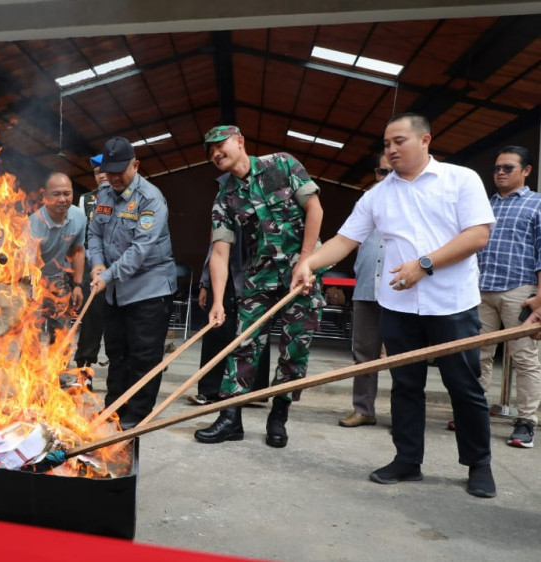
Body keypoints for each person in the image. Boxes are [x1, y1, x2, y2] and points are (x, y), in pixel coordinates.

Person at [292, 112, 497, 498]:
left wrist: (425, 264)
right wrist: (309, 264)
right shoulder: (378, 194)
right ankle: (407, 460)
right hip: (399, 306)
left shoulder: (460, 179)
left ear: (425, 141)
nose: (391, 150)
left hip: (451, 305)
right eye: (386, 144)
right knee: (405, 385)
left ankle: (478, 464)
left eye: (398, 141)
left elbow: (477, 236)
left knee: (464, 386)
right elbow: (344, 240)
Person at [195, 125, 325, 449]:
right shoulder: (225, 198)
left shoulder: (281, 165)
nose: (215, 154)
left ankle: (278, 416)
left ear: (240, 141)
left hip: (303, 272)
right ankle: (230, 418)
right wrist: (217, 300)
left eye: (219, 145)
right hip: (260, 277)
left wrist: (305, 260)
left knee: (296, 348)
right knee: (243, 343)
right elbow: (220, 252)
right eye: (209, 151)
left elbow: (315, 209)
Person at [87, 137, 176, 429]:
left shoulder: (151, 199)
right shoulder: (103, 194)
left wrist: (106, 275)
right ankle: (114, 406)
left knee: (143, 354)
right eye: (108, 171)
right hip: (115, 290)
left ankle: (137, 413)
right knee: (116, 351)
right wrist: (97, 264)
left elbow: (140, 251)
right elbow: (94, 235)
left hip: (149, 289)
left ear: (135, 165)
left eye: (119, 171)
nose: (112, 177)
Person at [476, 146, 541, 448]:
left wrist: (540, 296)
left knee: (525, 359)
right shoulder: (483, 205)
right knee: (477, 356)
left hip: (520, 290)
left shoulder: (537, 205)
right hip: (481, 289)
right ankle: (473, 413)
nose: (500, 172)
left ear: (526, 171)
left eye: (508, 168)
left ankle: (526, 422)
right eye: (497, 168)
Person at [338, 156, 391, 428]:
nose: (387, 176)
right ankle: (363, 409)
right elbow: (346, 239)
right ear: (376, 172)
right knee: (363, 354)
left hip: (401, 290)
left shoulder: (418, 201)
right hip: (368, 286)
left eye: (392, 171)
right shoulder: (366, 201)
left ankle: (405, 415)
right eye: (382, 171)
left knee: (405, 355)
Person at [190, 232, 270, 406]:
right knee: (217, 330)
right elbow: (214, 249)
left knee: (252, 334)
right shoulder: (224, 207)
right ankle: (210, 391)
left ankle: (251, 392)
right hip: (223, 278)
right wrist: (205, 283)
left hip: (257, 277)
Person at [28, 172, 86, 340]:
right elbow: (28, 266)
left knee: (63, 333)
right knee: (31, 335)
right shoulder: (33, 225)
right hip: (33, 281)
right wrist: (30, 295)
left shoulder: (79, 217)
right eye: (56, 194)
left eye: (67, 193)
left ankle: (61, 366)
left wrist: (78, 285)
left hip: (57, 279)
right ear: (44, 195)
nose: (63, 199)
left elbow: (78, 250)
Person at [74, 155, 107, 369]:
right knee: (91, 317)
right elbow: (79, 236)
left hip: (120, 266)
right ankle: (84, 367)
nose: (102, 175)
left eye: (105, 170)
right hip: (92, 266)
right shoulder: (86, 200)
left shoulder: (130, 198)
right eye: (97, 172)